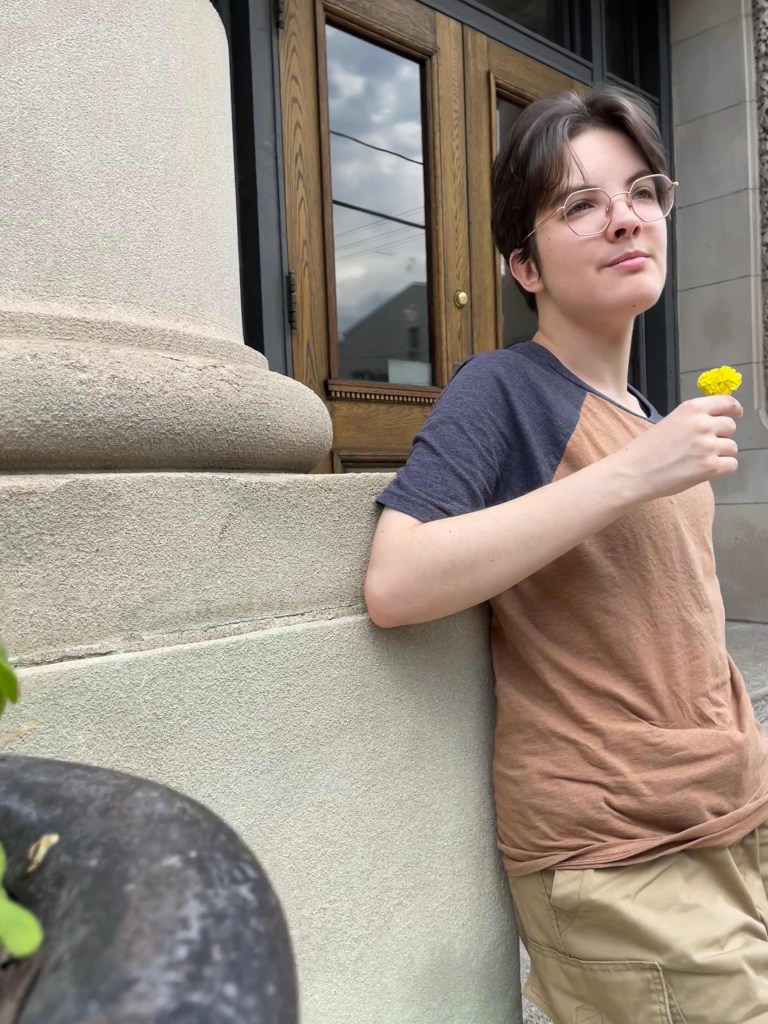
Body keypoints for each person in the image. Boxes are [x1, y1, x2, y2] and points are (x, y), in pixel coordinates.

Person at [364, 85, 768, 1023]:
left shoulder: (651, 416)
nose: (626, 218)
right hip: (620, 854)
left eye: (642, 192)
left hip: (729, 814)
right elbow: (397, 580)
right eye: (581, 204)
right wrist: (633, 473)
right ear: (525, 266)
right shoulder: (504, 388)